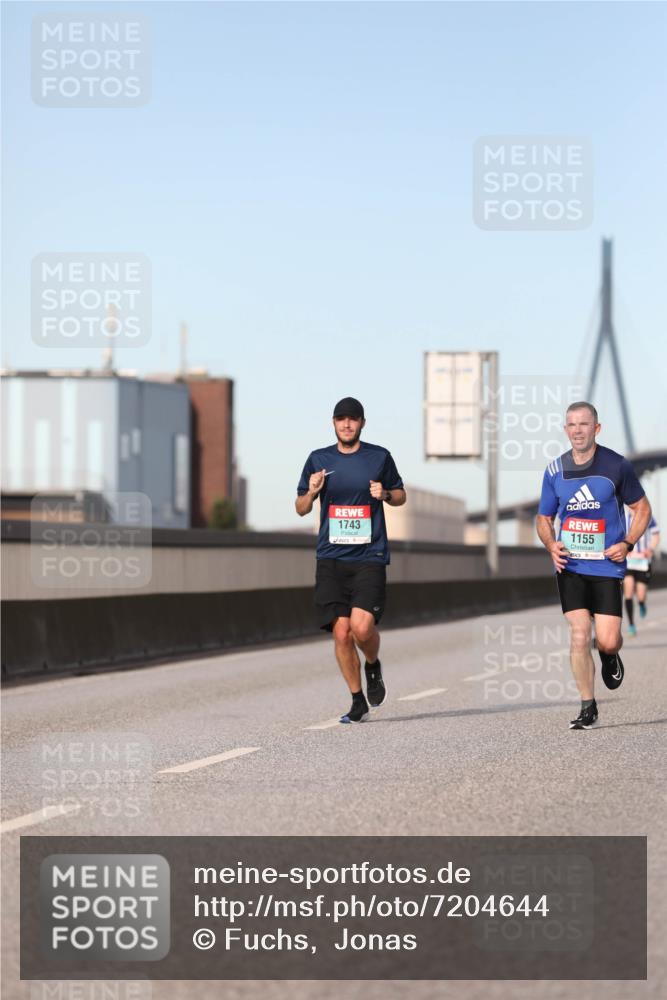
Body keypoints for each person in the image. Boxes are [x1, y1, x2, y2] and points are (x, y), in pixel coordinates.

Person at [536, 401, 652, 730]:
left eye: (584, 424)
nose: (577, 430)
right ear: (565, 430)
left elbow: (642, 509)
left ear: (596, 428)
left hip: (606, 567)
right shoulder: (554, 470)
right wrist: (551, 545)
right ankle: (588, 706)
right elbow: (543, 518)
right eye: (571, 425)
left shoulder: (617, 465)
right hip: (570, 566)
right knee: (578, 634)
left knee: (608, 639)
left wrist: (627, 543)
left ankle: (609, 653)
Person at [296, 397, 406, 723]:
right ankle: (357, 700)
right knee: (342, 633)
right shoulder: (318, 460)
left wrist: (385, 494)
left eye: (353, 419)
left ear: (362, 423)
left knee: (361, 628)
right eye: (341, 419)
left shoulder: (379, 457)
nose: (347, 425)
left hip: (369, 556)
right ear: (333, 423)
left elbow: (400, 495)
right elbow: (300, 508)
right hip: (331, 558)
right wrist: (312, 492)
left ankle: (372, 664)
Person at [623, 508, 660, 635]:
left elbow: (656, 535)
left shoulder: (647, 516)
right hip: (629, 561)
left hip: (643, 562)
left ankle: (642, 602)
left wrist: (651, 549)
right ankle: (631, 624)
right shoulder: (623, 517)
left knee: (641, 594)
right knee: (628, 591)